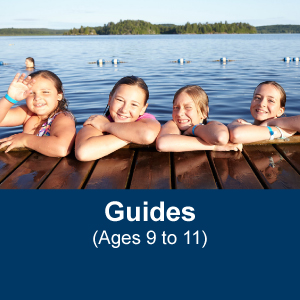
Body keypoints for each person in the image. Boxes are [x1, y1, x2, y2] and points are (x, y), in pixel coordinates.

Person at [75, 76, 161, 161]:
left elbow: (147, 135)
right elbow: (83, 153)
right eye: (120, 100)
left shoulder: (146, 120)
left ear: (143, 109)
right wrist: (134, 136)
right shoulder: (97, 121)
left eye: (134, 104)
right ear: (110, 100)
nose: (124, 110)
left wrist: (106, 125)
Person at [0, 71, 76, 157]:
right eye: (31, 93)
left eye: (45, 92)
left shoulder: (63, 117)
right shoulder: (28, 114)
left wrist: (24, 139)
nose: (37, 98)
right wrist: (9, 98)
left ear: (59, 95)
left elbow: (62, 149)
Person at [156, 85, 242, 152]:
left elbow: (220, 137)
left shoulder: (210, 125)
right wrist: (213, 146)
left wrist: (193, 129)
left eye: (188, 107)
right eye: (176, 107)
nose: (179, 113)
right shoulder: (172, 124)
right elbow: (162, 144)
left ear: (204, 112)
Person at [228, 81, 296, 144]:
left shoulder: (289, 128)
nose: (261, 104)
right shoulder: (240, 122)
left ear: (280, 111)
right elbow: (236, 134)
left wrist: (270, 123)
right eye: (257, 98)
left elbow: (236, 134)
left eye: (271, 101)